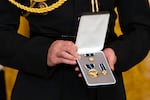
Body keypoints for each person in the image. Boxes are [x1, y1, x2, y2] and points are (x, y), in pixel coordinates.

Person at [0, 0, 150, 100]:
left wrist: (116, 53)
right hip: (39, 81)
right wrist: (44, 52)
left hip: (102, 77)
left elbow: (142, 29)